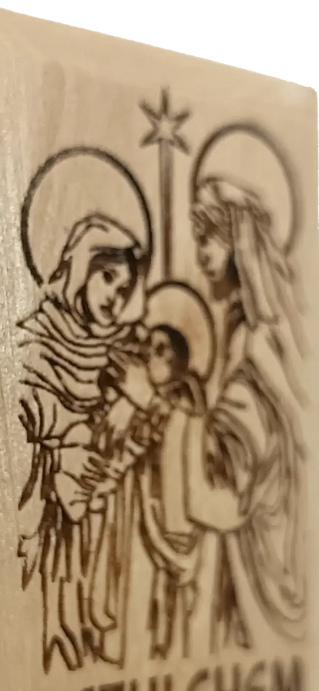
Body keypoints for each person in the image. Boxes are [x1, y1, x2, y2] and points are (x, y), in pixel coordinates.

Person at [17, 213, 148, 672]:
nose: (115, 296)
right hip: (55, 488)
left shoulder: (122, 348)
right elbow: (28, 402)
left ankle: (84, 634)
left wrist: (130, 402)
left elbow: (149, 403)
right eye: (107, 278)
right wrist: (67, 438)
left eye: (124, 288)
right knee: (60, 561)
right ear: (79, 269)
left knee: (92, 564)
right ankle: (55, 630)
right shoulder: (40, 336)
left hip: (100, 493)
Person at [183, 176, 307, 652]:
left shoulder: (255, 340)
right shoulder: (238, 325)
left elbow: (256, 437)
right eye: (198, 239)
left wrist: (194, 419)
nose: (201, 254)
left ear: (240, 244)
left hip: (259, 528)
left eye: (210, 239)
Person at [95, 321, 206, 660]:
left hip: (167, 526)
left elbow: (180, 438)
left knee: (165, 614)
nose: (149, 356)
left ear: (179, 362)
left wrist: (145, 400)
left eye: (160, 350)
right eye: (148, 348)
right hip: (135, 521)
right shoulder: (139, 402)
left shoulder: (187, 402)